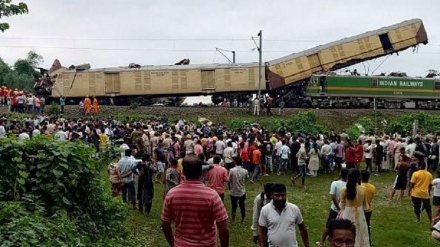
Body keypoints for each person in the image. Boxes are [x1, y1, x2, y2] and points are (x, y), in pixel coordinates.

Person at [161, 154, 229, 247]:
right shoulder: (212, 196)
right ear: (201, 172)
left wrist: (173, 244)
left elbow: (165, 224)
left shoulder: (172, 194)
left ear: (183, 172)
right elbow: (223, 229)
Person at [317, 168, 348, 247]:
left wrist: (338, 208)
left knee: (328, 226)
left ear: (340, 174)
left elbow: (333, 197)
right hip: (345, 210)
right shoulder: (348, 185)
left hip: (335, 209)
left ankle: (321, 242)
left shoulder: (335, 183)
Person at [339, 168, 370, 247]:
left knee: (347, 232)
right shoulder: (363, 189)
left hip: (347, 213)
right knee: (360, 232)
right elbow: (366, 206)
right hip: (360, 214)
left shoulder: (343, 190)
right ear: (359, 178)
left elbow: (341, 206)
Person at [228, 158, 248, 224]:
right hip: (242, 191)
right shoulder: (245, 171)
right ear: (241, 162)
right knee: (242, 206)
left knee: (234, 206)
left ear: (235, 162)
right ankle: (243, 220)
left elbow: (229, 180)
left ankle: (233, 219)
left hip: (233, 191)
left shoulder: (231, 170)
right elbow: (246, 178)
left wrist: (230, 187)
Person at [361, 170, 375, 247]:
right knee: (367, 225)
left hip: (361, 209)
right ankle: (369, 242)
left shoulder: (359, 187)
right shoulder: (372, 187)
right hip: (369, 209)